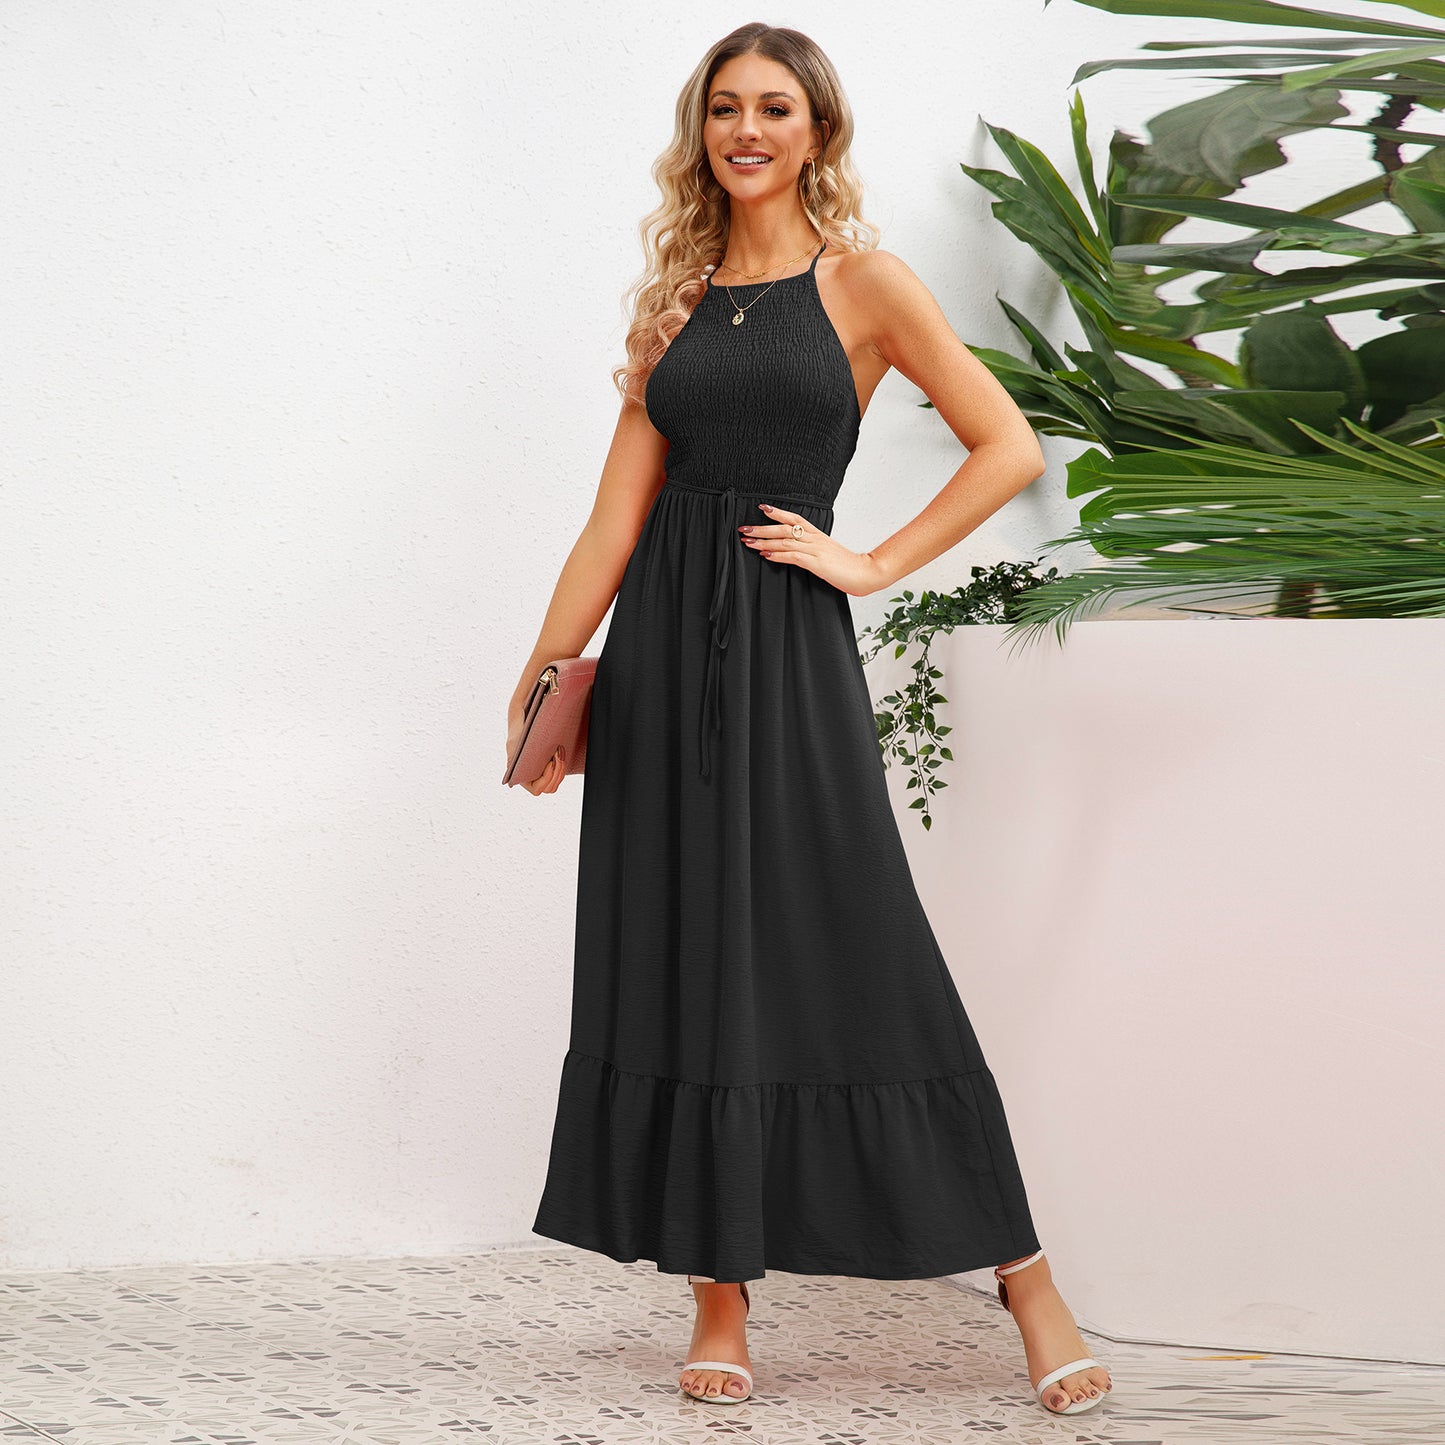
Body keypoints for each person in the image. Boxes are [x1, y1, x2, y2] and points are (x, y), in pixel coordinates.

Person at [506, 21, 1114, 1419]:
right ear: (700, 132)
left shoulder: (865, 284)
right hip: (659, 662)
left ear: (818, 130)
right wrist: (549, 668)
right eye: (725, 108)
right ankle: (718, 1297)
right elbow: (614, 516)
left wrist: (871, 561)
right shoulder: (676, 305)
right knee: (685, 955)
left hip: (784, 650)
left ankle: (1027, 1281)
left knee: (859, 945)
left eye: (775, 107)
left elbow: (1008, 443)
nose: (747, 130)